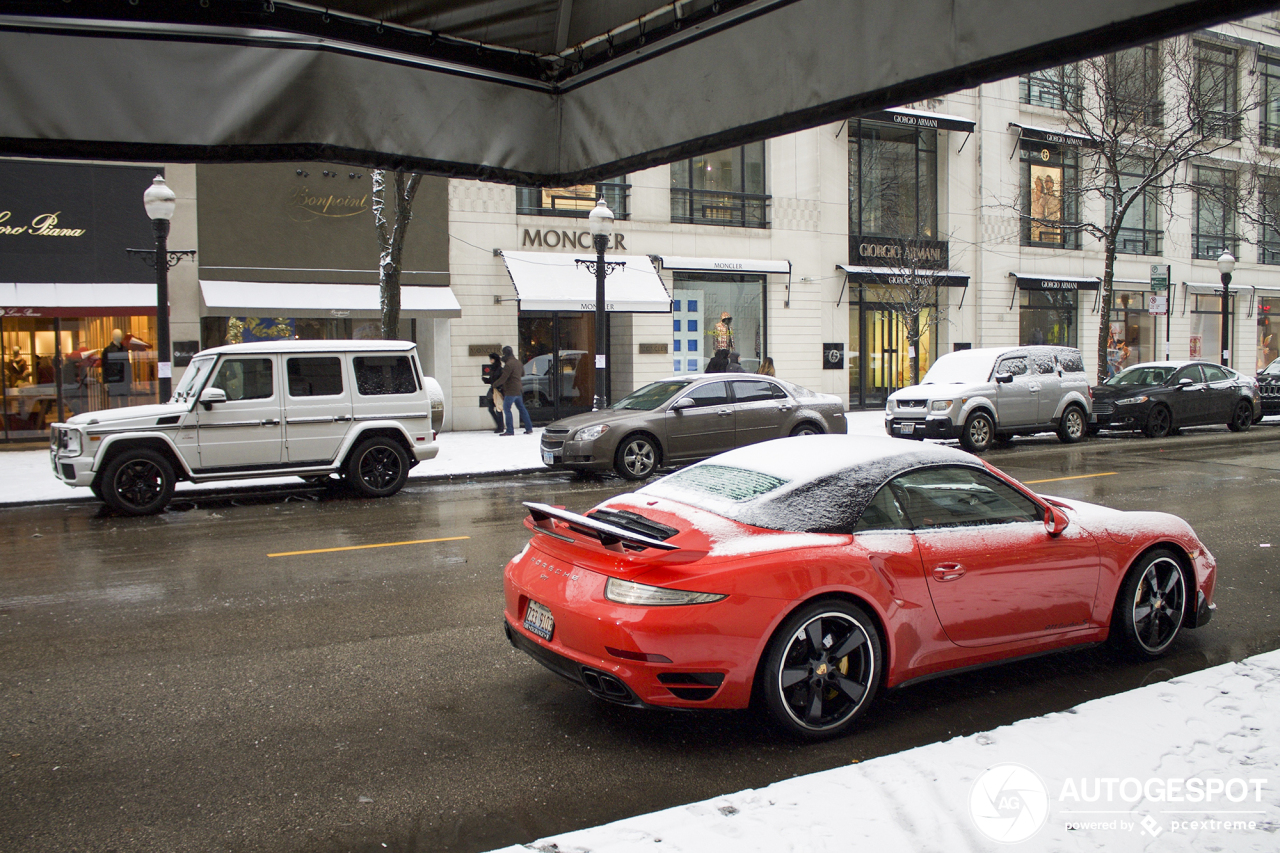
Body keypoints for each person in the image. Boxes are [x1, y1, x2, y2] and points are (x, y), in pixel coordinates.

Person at [496, 345, 533, 436]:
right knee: (522, 408)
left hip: (510, 390)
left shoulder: (509, 364)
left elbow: (504, 378)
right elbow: (523, 374)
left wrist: (495, 384)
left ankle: (510, 430)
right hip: (518, 389)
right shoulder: (518, 362)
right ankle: (529, 428)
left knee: (507, 409)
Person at [482, 352, 504, 433]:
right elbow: (493, 380)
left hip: (497, 391)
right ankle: (499, 425)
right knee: (493, 408)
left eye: (491, 359)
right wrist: (486, 380)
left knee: (497, 409)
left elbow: (498, 380)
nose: (490, 361)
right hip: (493, 390)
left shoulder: (499, 369)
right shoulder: (494, 369)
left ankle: (500, 426)